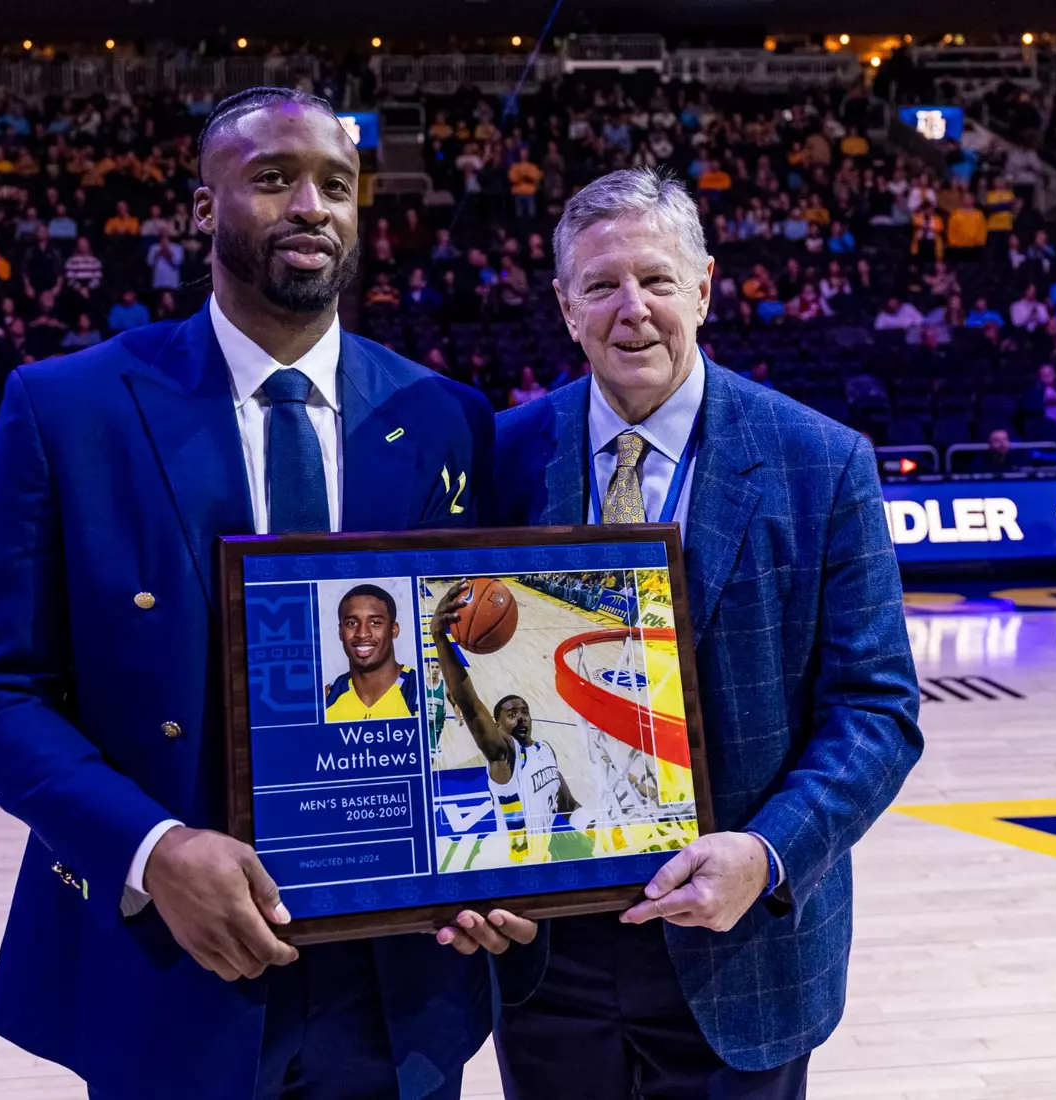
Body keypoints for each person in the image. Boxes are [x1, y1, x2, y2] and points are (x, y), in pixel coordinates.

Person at [0, 87, 496, 1100]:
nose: (311, 207)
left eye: (337, 184)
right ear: (203, 209)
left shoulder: (447, 416)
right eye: (274, 178)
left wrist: (502, 855)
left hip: (396, 974)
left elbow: (470, 671)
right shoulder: (66, 406)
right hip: (171, 957)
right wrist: (152, 851)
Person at [472, 168, 923, 1099]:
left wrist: (765, 855)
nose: (631, 309)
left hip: (741, 939)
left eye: (656, 280)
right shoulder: (503, 455)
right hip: (552, 952)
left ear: (706, 287)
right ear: (564, 306)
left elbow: (878, 711)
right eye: (600, 285)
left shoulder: (821, 461)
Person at [430, 579, 578, 866]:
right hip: (513, 865)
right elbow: (472, 707)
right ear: (496, 726)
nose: (520, 717)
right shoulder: (505, 756)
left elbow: (568, 805)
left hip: (544, 863)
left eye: (523, 711)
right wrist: (439, 638)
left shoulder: (546, 751)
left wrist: (597, 826)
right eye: (511, 713)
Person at [323, 584, 418, 722]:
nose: (362, 634)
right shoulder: (326, 698)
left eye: (375, 623)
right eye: (351, 623)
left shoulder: (418, 690)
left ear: (394, 630)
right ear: (340, 632)